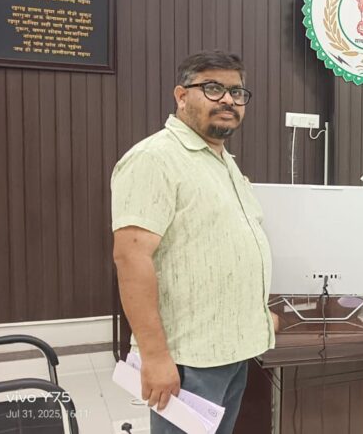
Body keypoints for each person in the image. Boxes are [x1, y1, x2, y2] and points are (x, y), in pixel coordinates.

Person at [111, 50, 278, 434]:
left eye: (237, 92)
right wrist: (155, 357)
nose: (228, 100)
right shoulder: (155, 158)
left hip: (231, 348)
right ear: (182, 96)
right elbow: (131, 257)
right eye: (213, 88)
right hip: (189, 357)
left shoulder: (221, 160)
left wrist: (256, 315)